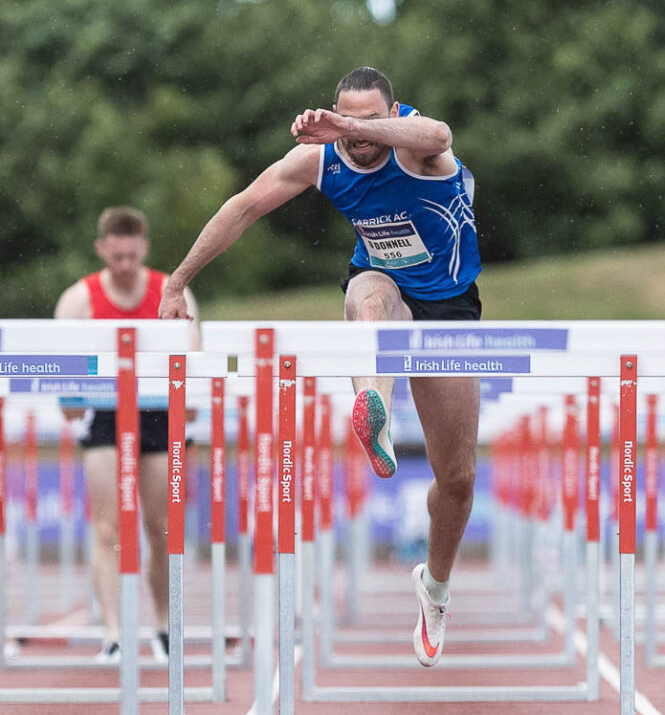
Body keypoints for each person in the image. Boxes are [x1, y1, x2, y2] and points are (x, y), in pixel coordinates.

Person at [157, 67, 480, 668]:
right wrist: (178, 280)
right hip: (381, 282)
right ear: (332, 115)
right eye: (345, 124)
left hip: (449, 304)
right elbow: (243, 207)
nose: (356, 141)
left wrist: (349, 124)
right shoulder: (322, 157)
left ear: (390, 113)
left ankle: (434, 588)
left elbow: (439, 134)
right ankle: (373, 411)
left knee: (457, 478)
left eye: (368, 124)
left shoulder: (416, 147)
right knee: (369, 298)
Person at [54, 206, 200, 663]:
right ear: (102, 250)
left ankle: (162, 627)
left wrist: (180, 408)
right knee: (107, 528)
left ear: (144, 249)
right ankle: (114, 634)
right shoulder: (78, 301)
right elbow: (68, 399)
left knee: (160, 529)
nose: (123, 266)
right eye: (115, 257)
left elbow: (192, 382)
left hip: (159, 417)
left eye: (130, 258)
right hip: (105, 416)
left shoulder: (173, 293)